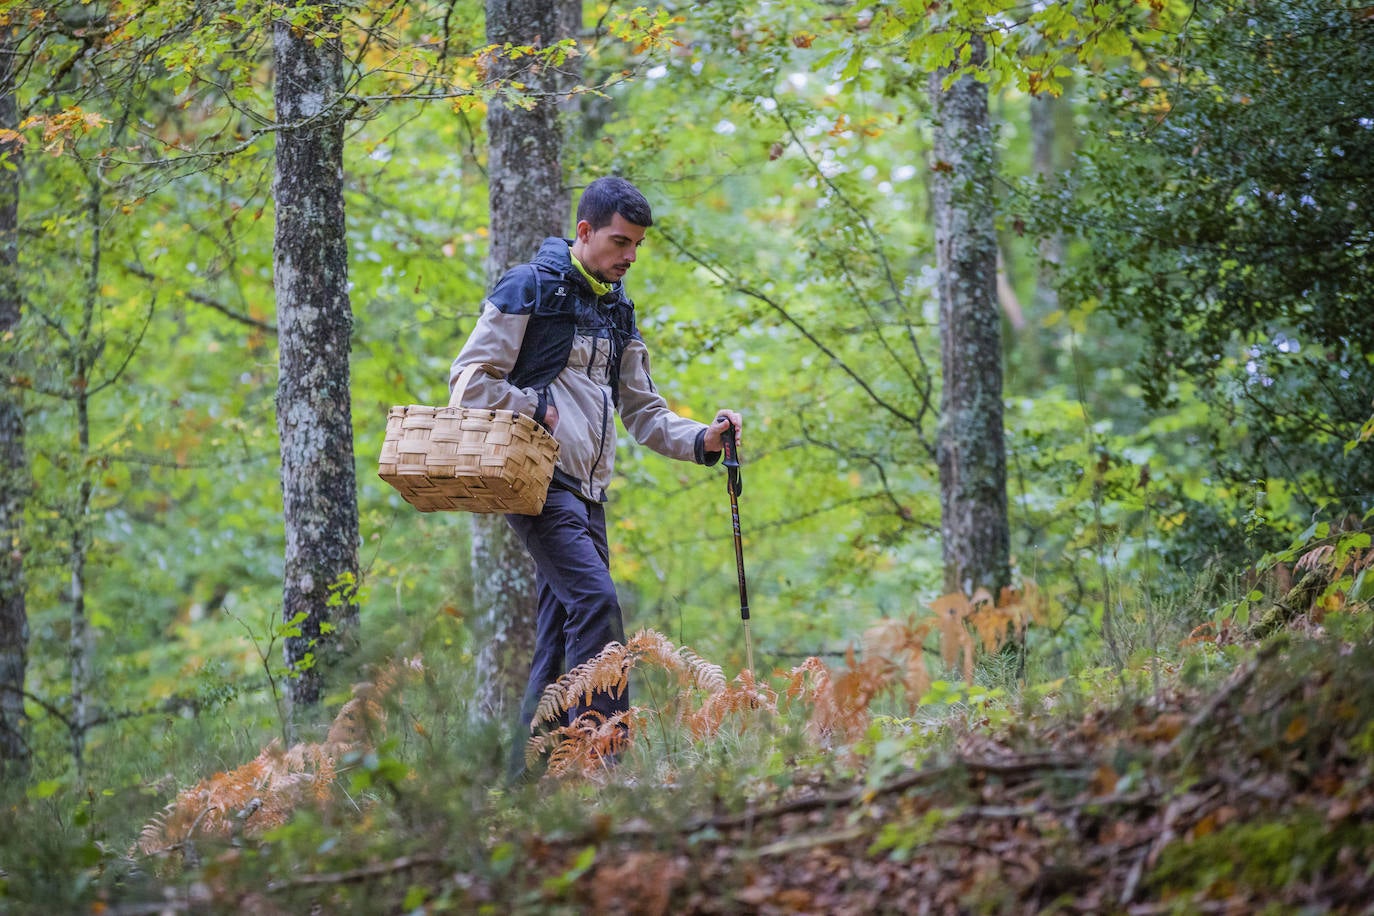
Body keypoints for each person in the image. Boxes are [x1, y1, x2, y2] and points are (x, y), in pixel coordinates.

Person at [448, 176, 743, 777]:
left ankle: (525, 784)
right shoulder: (528, 288)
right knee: (598, 604)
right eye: (619, 242)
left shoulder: (617, 311)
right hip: (538, 482)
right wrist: (532, 405)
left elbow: (643, 410)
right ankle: (603, 763)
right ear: (584, 233)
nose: (629, 256)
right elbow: (467, 383)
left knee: (559, 638)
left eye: (636, 245)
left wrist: (703, 440)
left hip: (589, 492)